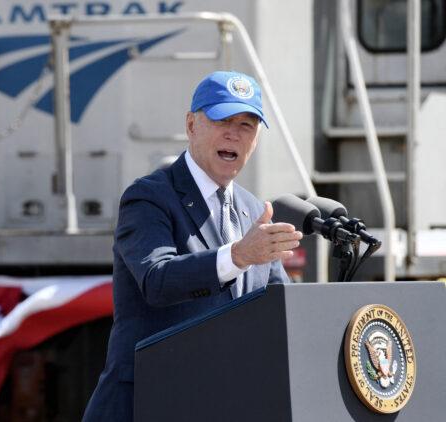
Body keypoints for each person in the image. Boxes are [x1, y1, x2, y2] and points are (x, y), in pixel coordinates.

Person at [82, 71, 303, 421]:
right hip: (148, 404)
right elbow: (156, 280)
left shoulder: (254, 211)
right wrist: (238, 256)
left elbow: (279, 314)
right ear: (191, 125)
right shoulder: (149, 196)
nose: (234, 133)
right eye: (222, 119)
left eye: (247, 125)